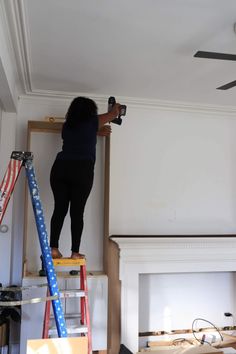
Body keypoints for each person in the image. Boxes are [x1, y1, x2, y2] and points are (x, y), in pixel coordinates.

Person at [49, 96, 120, 259]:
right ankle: (75, 252)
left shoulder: (66, 126)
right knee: (77, 212)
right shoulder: (93, 121)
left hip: (60, 167)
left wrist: (97, 131)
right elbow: (114, 114)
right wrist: (116, 107)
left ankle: (53, 249)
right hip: (82, 169)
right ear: (90, 111)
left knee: (59, 209)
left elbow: (81, 135)